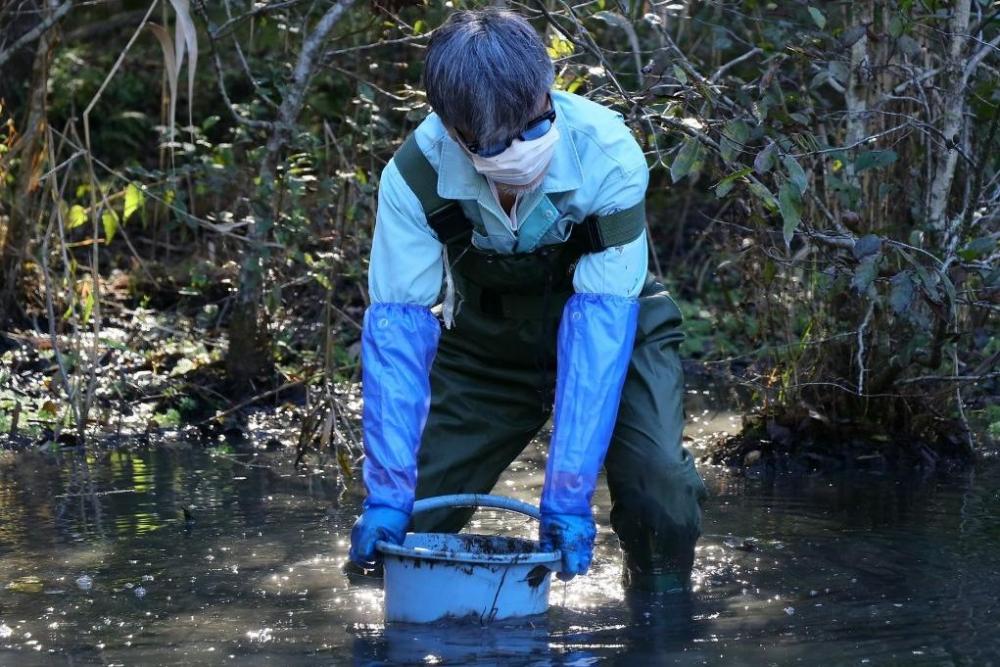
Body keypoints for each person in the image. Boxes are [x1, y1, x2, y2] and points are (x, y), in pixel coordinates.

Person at [348, 8, 706, 592]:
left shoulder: (608, 153)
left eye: (534, 125)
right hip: (486, 349)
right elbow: (399, 334)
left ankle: (659, 613)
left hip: (618, 332)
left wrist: (567, 498)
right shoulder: (414, 176)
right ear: (451, 127)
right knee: (402, 535)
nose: (520, 150)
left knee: (659, 492)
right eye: (496, 140)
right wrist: (387, 495)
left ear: (548, 90)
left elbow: (598, 331)